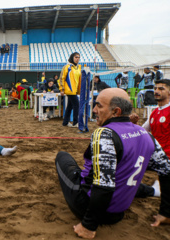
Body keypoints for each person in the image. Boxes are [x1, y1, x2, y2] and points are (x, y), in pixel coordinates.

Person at [55, 88, 170, 239]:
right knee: (121, 169)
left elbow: (104, 186)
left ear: (116, 112)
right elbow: (167, 170)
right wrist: (166, 212)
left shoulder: (104, 134)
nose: (94, 110)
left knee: (62, 157)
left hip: (89, 208)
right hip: (119, 211)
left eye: (99, 106)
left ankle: (149, 191)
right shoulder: (146, 135)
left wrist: (88, 225)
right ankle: (151, 191)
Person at [59, 52, 81, 128]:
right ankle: (75, 122)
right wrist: (62, 89)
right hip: (69, 90)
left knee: (70, 106)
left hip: (74, 90)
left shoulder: (78, 68)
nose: (77, 59)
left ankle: (65, 122)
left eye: (78, 57)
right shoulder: (67, 67)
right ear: (72, 57)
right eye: (76, 57)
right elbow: (62, 78)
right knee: (76, 105)